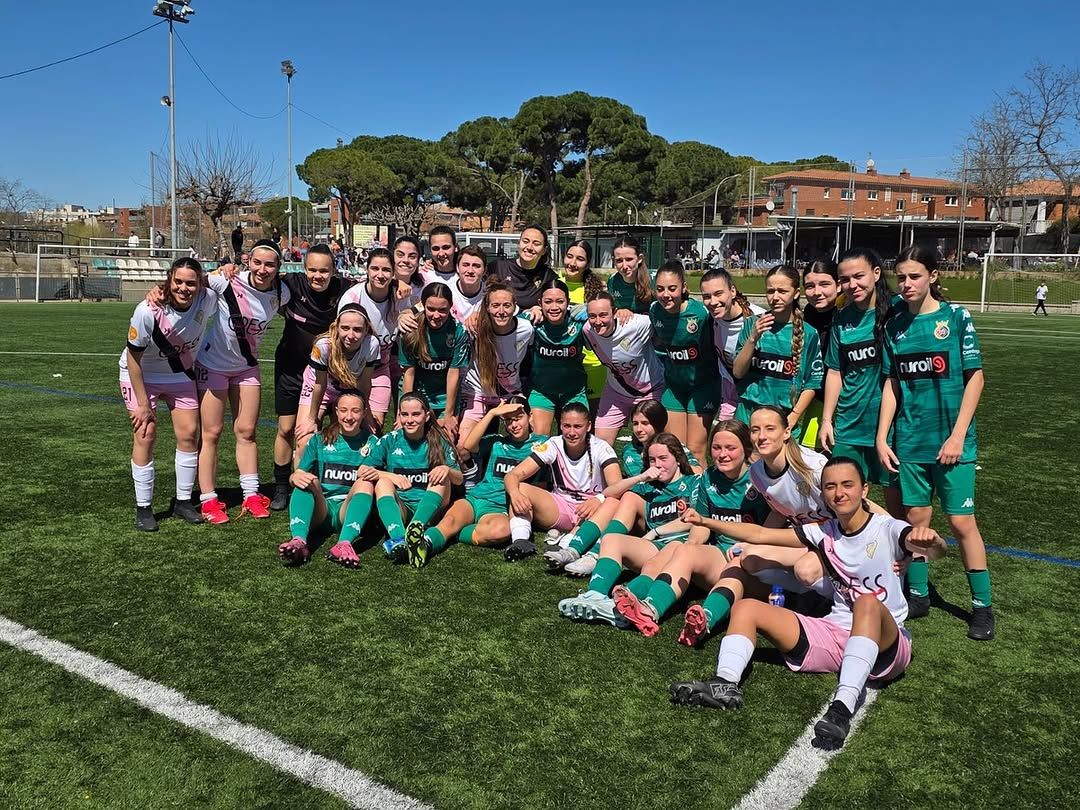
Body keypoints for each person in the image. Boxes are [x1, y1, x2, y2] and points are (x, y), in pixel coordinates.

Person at [671, 461, 945, 742]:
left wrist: (933, 541)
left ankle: (841, 709)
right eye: (830, 486)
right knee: (745, 608)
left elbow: (934, 550)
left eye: (847, 485)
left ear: (864, 490)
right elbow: (762, 535)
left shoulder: (887, 528)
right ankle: (725, 683)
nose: (839, 493)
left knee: (866, 602)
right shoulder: (824, 530)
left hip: (887, 644)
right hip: (836, 633)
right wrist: (704, 521)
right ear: (824, 494)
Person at [877, 245, 994, 641]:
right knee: (917, 523)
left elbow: (975, 378)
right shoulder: (894, 326)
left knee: (962, 523)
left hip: (952, 443)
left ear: (933, 276)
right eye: (902, 277)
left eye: (914, 276)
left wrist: (958, 435)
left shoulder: (956, 318)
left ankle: (982, 608)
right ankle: (919, 594)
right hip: (910, 442)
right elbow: (892, 384)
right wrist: (882, 436)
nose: (906, 284)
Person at [612, 418, 770, 638]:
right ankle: (646, 608)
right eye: (716, 448)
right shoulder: (709, 477)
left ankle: (705, 619)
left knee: (735, 565)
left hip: (756, 564)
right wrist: (689, 550)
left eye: (730, 448)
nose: (722, 454)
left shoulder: (761, 480)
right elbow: (700, 526)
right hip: (720, 554)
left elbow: (770, 533)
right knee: (683, 548)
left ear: (746, 448)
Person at [556, 433, 697, 627]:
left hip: (682, 547)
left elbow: (695, 520)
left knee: (656, 563)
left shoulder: (694, 482)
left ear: (678, 460)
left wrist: (656, 532)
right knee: (611, 539)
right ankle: (594, 595)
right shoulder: (650, 487)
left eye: (663, 459)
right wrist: (641, 477)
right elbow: (608, 494)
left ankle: (618, 606)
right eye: (652, 460)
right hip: (655, 546)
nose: (657, 465)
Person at [196, 240, 291, 523]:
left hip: (246, 367)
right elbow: (187, 282)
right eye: (258, 263)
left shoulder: (280, 291)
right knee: (211, 434)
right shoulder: (227, 280)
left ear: (279, 268)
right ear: (247, 261)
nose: (263, 269)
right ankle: (209, 499)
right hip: (213, 365)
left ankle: (251, 494)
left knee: (247, 431)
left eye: (270, 264)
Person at [120, 258, 217, 530]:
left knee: (188, 434)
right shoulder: (146, 310)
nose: (184, 288)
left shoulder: (207, 298)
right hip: (141, 375)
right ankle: (144, 508)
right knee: (146, 434)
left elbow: (226, 276)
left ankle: (183, 501)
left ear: (199, 284)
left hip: (178, 375)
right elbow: (133, 359)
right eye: (178, 282)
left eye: (190, 283)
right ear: (169, 280)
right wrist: (141, 404)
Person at [270, 244, 356, 510]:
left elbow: (379, 287)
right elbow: (251, 282)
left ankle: (334, 484)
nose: (318, 276)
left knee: (336, 429)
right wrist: (226, 269)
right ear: (304, 268)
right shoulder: (290, 285)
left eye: (324, 270)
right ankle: (283, 486)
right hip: (292, 369)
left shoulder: (346, 288)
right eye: (312, 270)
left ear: (334, 270)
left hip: (331, 375)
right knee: (287, 429)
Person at [411, 396, 544, 567]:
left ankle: (452, 533)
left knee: (501, 531)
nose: (514, 425)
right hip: (475, 499)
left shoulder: (542, 444)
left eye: (518, 418)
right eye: (508, 420)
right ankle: (424, 544)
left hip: (501, 507)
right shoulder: (496, 442)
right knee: (450, 521)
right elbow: (468, 445)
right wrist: (492, 413)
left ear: (530, 416)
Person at [819, 248, 903, 515]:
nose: (851, 285)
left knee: (900, 509)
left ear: (876, 274)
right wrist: (827, 420)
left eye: (859, 276)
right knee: (843, 504)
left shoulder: (898, 312)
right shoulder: (842, 319)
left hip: (892, 428)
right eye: (844, 279)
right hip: (850, 424)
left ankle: (903, 557)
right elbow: (835, 372)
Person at [503, 402, 623, 561]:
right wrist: (515, 493)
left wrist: (599, 499)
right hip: (561, 507)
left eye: (577, 426)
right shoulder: (553, 444)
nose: (572, 432)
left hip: (591, 510)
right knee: (521, 488)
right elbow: (512, 475)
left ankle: (566, 544)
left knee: (612, 502)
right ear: (560, 425)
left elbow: (618, 487)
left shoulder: (601, 448)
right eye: (567, 426)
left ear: (588, 426)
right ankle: (520, 541)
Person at [278, 391, 380, 569]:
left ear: (364, 413)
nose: (349, 416)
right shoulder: (320, 439)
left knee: (365, 483)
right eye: (344, 410)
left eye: (355, 411)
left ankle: (344, 543)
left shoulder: (373, 443)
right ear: (336, 411)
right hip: (321, 509)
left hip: (348, 511)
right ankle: (299, 540)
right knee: (306, 480)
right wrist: (294, 477)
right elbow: (298, 475)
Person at [366, 393, 462, 564]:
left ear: (426, 416)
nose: (409, 420)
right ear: (399, 416)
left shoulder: (439, 440)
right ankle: (399, 538)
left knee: (441, 478)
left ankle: (414, 528)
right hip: (402, 508)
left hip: (432, 511)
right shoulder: (390, 439)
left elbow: (459, 479)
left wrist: (446, 469)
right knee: (382, 482)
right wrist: (390, 475)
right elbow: (363, 470)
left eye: (415, 414)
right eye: (404, 414)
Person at [732, 265, 823, 440]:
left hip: (783, 419)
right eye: (770, 291)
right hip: (748, 415)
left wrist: (794, 416)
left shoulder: (808, 333)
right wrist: (752, 339)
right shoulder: (752, 324)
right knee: (747, 467)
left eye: (782, 291)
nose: (775, 297)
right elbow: (737, 372)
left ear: (796, 293)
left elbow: (812, 382)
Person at [336, 248, 416, 428]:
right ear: (367, 270)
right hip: (352, 371)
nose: (380, 275)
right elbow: (340, 339)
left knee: (375, 426)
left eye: (386, 270)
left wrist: (407, 312)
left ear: (393, 272)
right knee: (351, 426)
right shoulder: (352, 297)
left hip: (380, 369)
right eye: (375, 269)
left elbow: (411, 316)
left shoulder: (400, 296)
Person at [650, 260, 716, 463]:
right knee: (676, 449)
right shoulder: (655, 311)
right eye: (660, 289)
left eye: (672, 288)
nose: (665, 295)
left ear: (684, 288)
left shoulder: (700, 313)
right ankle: (679, 494)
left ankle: (700, 494)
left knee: (696, 451)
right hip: (674, 387)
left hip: (703, 386)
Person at [295, 304, 380, 458]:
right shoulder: (323, 345)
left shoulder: (372, 344)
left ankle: (340, 479)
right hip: (320, 388)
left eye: (357, 329)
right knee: (304, 439)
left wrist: (366, 415)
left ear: (366, 329)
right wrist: (312, 419)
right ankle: (300, 480)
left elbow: (365, 383)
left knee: (354, 437)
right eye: (345, 328)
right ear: (336, 327)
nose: (351, 335)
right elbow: (319, 385)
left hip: (348, 390)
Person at [582, 292, 665, 447]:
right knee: (599, 445)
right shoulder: (587, 330)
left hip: (651, 390)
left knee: (655, 445)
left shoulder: (636, 324)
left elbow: (664, 320)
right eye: (592, 316)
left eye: (603, 315)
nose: (598, 321)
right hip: (616, 392)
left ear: (614, 313)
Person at [457, 283, 534, 444]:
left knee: (531, 439)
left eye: (507, 305)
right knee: (464, 446)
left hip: (510, 392)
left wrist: (536, 309)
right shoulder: (475, 329)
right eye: (495, 305)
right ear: (487, 308)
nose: (501, 311)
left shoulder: (526, 329)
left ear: (515, 307)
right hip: (477, 392)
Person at [399, 282, 469, 439]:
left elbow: (453, 374)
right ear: (423, 305)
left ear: (451, 306)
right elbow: (409, 374)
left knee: (447, 439)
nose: (436, 315)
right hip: (417, 393)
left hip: (446, 396)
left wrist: (449, 414)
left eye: (442, 310)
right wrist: (405, 410)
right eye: (431, 309)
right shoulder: (411, 330)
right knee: (410, 437)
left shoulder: (458, 331)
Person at [700, 267, 765, 421]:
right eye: (706, 296)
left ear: (733, 291)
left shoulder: (758, 320)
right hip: (728, 395)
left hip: (756, 399)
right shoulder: (711, 319)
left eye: (718, 294)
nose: (713, 302)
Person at [527, 279, 588, 436]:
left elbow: (606, 314)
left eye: (560, 301)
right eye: (548, 302)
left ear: (568, 302)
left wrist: (588, 309)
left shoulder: (578, 320)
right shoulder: (533, 321)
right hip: (542, 391)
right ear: (540, 302)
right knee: (538, 439)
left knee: (575, 437)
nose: (554, 307)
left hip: (574, 391)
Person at [798, 259, 842, 449]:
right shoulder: (807, 313)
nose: (817, 292)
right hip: (816, 396)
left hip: (846, 401)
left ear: (838, 285)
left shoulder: (847, 316)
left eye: (824, 284)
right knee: (810, 455)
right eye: (810, 286)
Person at [558, 239, 607, 405]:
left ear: (588, 263)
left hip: (594, 364)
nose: (572, 263)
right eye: (569, 256)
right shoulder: (554, 283)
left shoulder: (597, 289)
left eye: (580, 259)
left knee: (592, 420)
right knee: (567, 421)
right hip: (563, 362)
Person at [486, 225, 557, 316]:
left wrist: (540, 309)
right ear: (519, 243)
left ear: (544, 250)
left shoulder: (548, 276)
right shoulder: (497, 267)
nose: (530, 247)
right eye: (525, 241)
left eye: (536, 244)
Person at [620, 399, 701, 478]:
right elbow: (641, 484)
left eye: (645, 423)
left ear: (657, 423)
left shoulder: (674, 445)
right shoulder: (630, 451)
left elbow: (698, 472)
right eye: (635, 424)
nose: (638, 429)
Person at [608, 234, 654, 315]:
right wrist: (618, 311)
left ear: (640, 259)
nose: (624, 266)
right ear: (613, 261)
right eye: (619, 261)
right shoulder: (612, 281)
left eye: (629, 259)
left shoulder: (654, 280)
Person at [449, 245, 487, 322]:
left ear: (485, 270)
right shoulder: (447, 293)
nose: (470, 271)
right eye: (465, 265)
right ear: (457, 268)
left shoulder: (490, 294)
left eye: (476, 266)